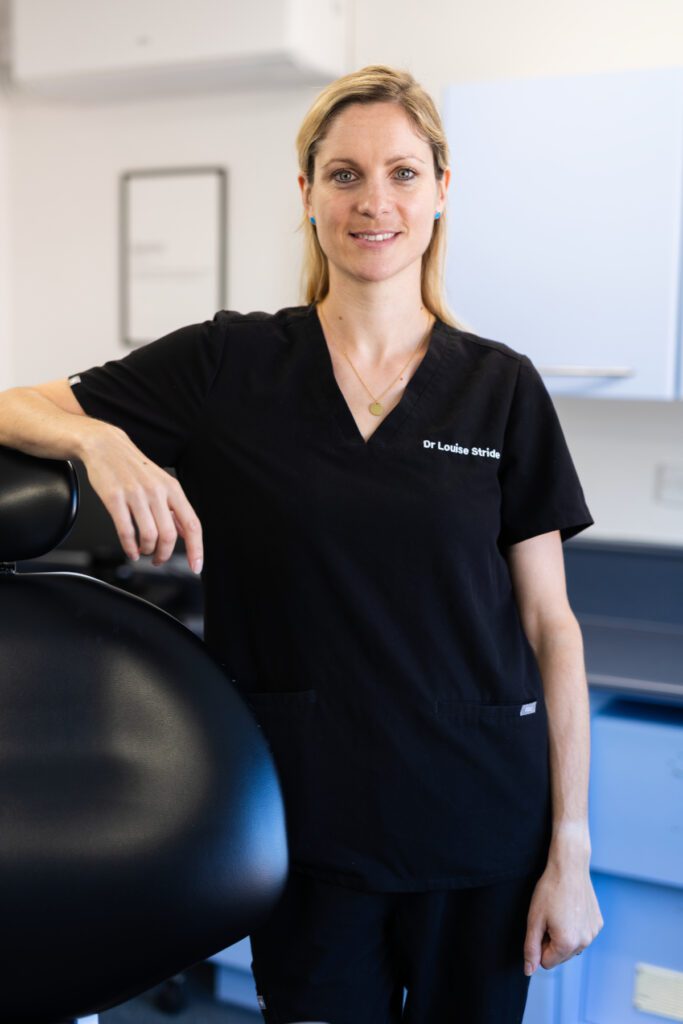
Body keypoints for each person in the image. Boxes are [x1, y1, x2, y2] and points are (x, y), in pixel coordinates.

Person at [0, 64, 603, 1024]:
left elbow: (551, 627)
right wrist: (97, 438)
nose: (375, 202)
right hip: (308, 830)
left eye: (403, 174)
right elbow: (15, 406)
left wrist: (569, 849)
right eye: (345, 174)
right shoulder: (229, 363)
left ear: (441, 192)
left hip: (481, 825)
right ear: (307, 194)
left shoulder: (501, 387)